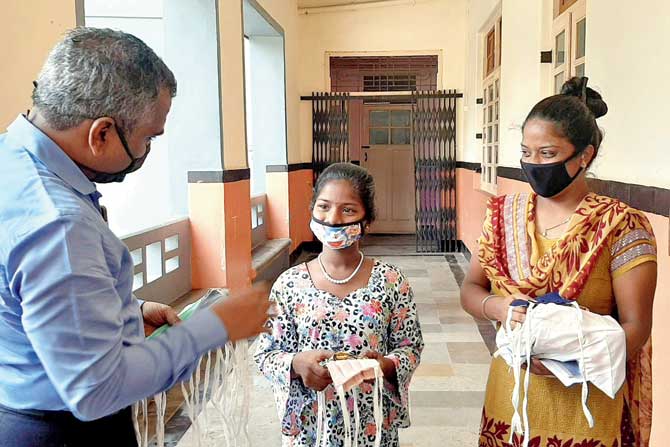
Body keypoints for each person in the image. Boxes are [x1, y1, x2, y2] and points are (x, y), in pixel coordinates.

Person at [0, 28, 270, 447]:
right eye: (147, 138)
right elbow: (97, 389)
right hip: (63, 432)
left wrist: (125, 308)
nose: (146, 151)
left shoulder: (11, 162)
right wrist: (213, 326)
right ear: (101, 133)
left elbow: (27, 295)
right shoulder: (58, 224)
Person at [460, 77, 657, 447]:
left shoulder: (620, 225)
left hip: (586, 407)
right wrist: (498, 307)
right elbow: (472, 289)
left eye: (548, 154)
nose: (534, 164)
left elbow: (636, 326)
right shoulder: (504, 214)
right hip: (511, 401)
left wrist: (568, 363)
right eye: (526, 152)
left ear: (585, 155)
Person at [254, 163, 424, 447]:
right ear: (312, 210)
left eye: (348, 210)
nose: (332, 219)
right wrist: (296, 364)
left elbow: (411, 347)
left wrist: (386, 365)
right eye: (323, 206)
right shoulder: (287, 284)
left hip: (371, 425)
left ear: (367, 220)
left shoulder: (392, 281)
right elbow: (265, 354)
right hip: (310, 427)